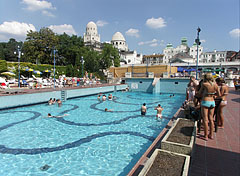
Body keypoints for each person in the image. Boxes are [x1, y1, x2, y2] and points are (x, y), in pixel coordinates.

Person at [198, 73, 220, 140]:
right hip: (212, 102)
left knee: (205, 119)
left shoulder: (204, 84)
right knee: (211, 119)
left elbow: (199, 93)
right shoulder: (215, 85)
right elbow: (219, 94)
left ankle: (206, 136)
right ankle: (211, 135)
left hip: (205, 101)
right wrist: (213, 95)